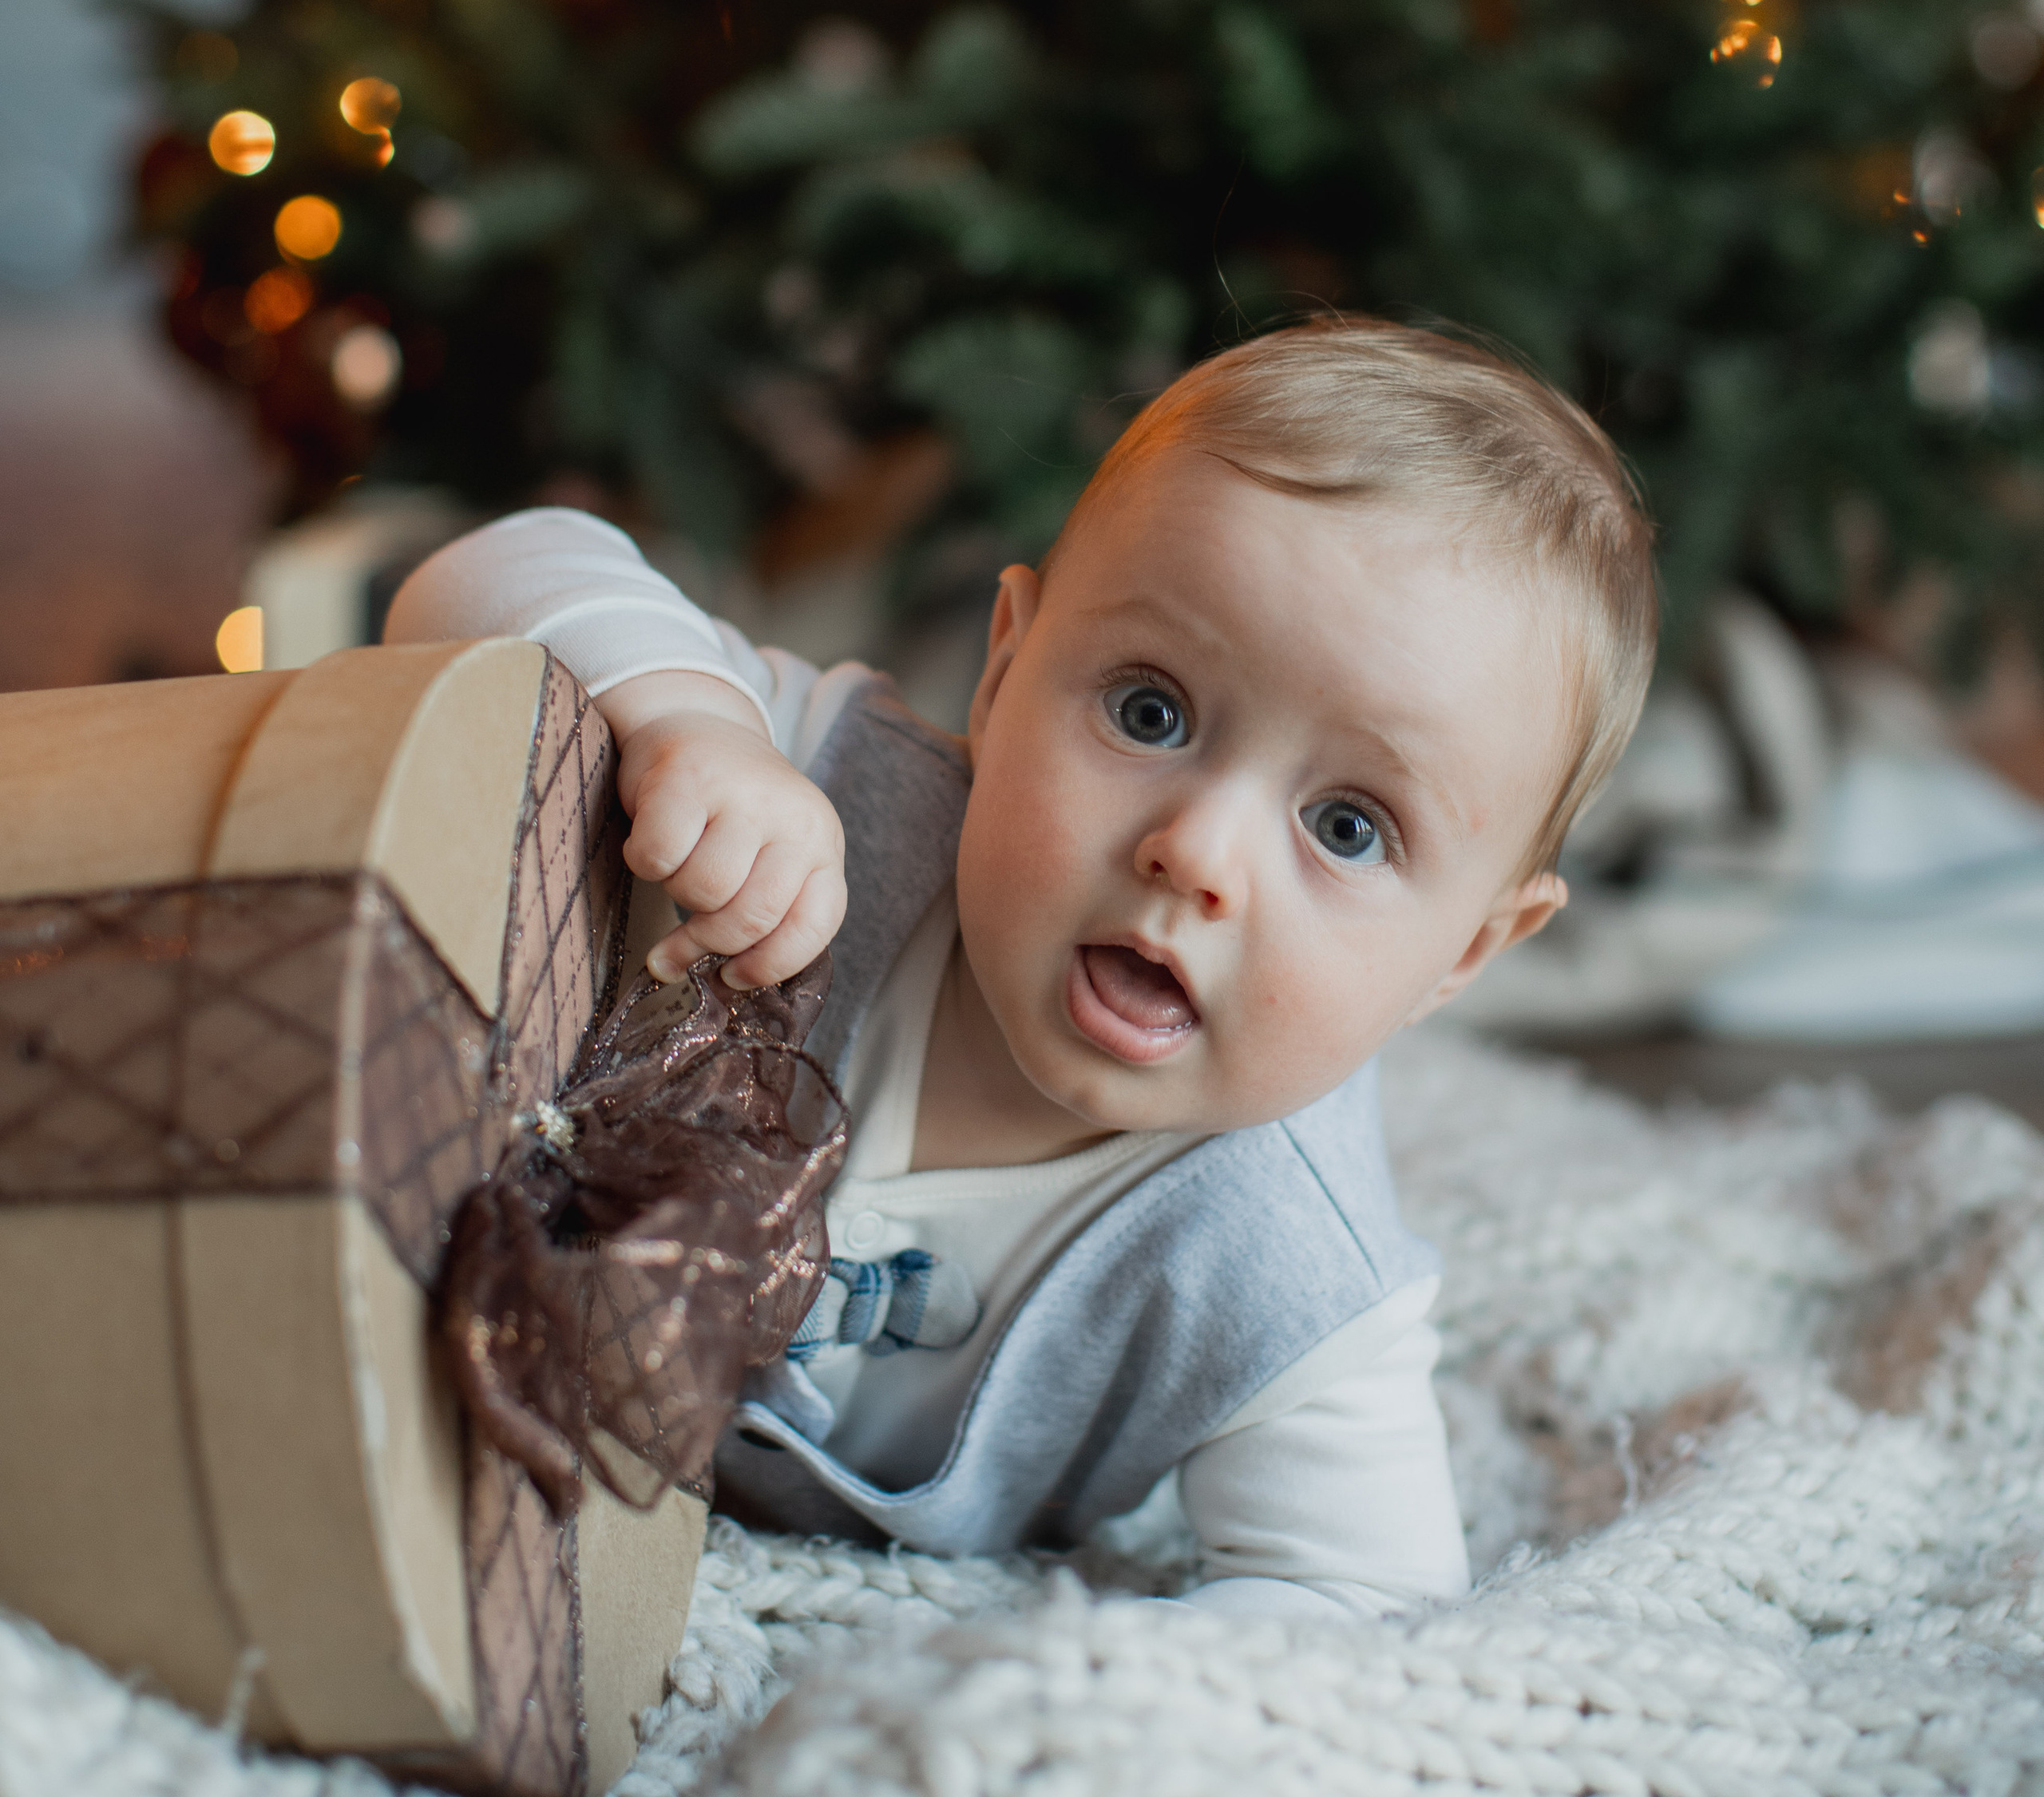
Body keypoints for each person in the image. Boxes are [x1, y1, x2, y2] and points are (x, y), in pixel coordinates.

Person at [386, 315, 1658, 1621]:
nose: (1197, 852)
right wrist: (687, 721)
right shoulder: (832, 792)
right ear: (1005, 671)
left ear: (1470, 950)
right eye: (1148, 711)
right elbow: (478, 575)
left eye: (1348, 827)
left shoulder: (1291, 1274)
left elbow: (1355, 1607)